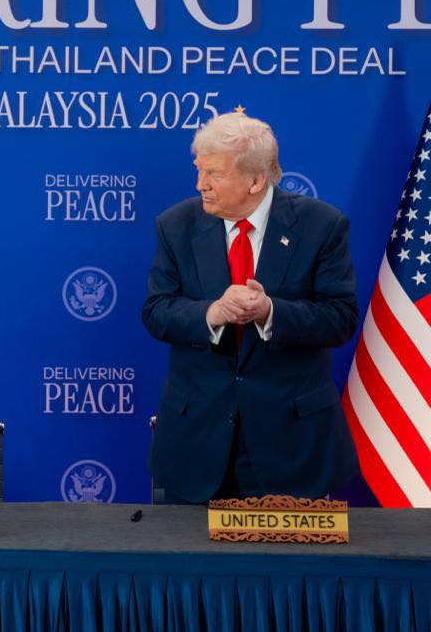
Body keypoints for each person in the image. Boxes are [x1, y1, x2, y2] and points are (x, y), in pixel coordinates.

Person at [143, 113, 360, 503]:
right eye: (199, 171)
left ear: (256, 180)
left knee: (291, 566)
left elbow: (340, 319)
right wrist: (213, 314)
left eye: (214, 174)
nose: (200, 185)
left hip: (291, 446)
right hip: (197, 445)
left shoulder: (322, 226)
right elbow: (157, 311)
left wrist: (270, 312)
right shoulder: (175, 226)